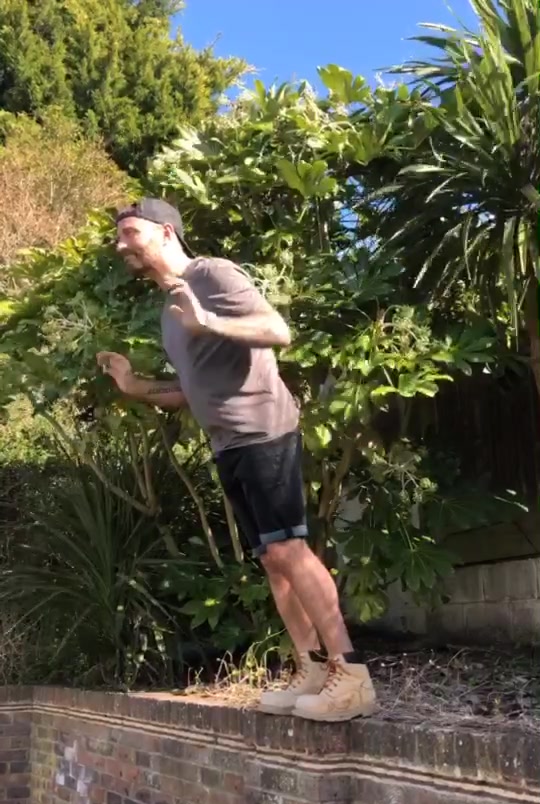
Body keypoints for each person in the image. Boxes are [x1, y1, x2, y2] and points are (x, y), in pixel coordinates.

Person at [97, 197, 377, 722]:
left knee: (290, 548)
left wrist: (208, 321)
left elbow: (277, 331)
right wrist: (134, 386)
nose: (120, 244)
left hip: (263, 427)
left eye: (130, 232)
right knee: (272, 558)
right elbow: (191, 390)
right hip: (228, 443)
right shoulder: (170, 310)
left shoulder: (211, 275)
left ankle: (352, 674)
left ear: (165, 232)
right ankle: (312, 668)